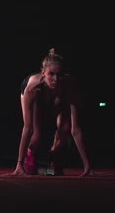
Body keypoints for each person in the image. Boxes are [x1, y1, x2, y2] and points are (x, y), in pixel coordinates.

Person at [5, 48, 93, 177]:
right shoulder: (32, 87)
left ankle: (55, 156)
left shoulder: (68, 85)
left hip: (58, 100)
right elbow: (27, 128)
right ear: (43, 73)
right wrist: (19, 165)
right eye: (51, 74)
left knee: (65, 129)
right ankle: (29, 155)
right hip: (38, 100)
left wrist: (87, 166)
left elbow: (76, 130)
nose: (56, 79)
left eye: (59, 75)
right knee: (35, 136)